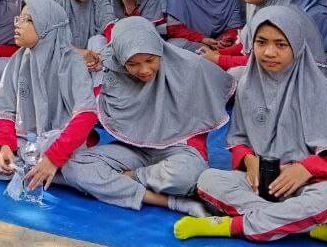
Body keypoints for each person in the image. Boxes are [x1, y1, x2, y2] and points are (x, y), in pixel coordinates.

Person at [177, 8, 327, 247]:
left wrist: (305, 169)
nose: (269, 52)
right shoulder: (247, 84)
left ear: (297, 46)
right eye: (261, 42)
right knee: (208, 180)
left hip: (305, 185)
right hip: (259, 184)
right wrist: (250, 161)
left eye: (281, 44)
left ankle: (230, 226)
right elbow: (239, 139)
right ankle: (311, 228)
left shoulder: (318, 89)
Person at [64, 17, 233, 216]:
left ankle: (124, 179)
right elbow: (91, 117)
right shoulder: (114, 75)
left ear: (160, 50)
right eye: (133, 64)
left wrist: (132, 175)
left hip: (178, 149)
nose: (144, 70)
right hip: (134, 150)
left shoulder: (191, 67)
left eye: (151, 60)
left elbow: (210, 106)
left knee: (188, 174)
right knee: (74, 165)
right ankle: (171, 201)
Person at [0, 0, 98, 191]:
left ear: (48, 27)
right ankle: (44, 173)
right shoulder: (18, 59)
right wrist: (5, 146)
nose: (18, 25)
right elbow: (5, 108)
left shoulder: (72, 63)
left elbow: (86, 115)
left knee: (52, 143)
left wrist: (53, 157)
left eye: (27, 20)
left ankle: (39, 168)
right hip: (26, 140)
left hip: (58, 141)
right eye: (18, 19)